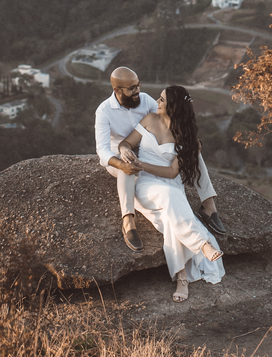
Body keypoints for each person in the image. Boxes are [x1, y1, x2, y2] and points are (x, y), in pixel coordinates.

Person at [94, 67, 226, 254]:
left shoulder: (145, 100)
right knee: (127, 169)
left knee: (193, 151)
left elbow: (165, 121)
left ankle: (209, 206)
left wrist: (187, 141)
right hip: (121, 153)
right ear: (117, 90)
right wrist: (121, 160)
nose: (137, 91)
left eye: (138, 85)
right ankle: (128, 221)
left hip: (148, 149)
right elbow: (102, 149)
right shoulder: (104, 111)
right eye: (132, 88)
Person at [118, 84, 224, 302]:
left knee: (170, 218)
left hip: (168, 183)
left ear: (173, 107)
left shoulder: (187, 139)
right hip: (144, 185)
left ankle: (182, 278)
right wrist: (125, 151)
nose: (157, 102)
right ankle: (202, 243)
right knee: (170, 200)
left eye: (162, 100)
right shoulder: (149, 119)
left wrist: (142, 163)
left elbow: (171, 172)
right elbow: (126, 142)